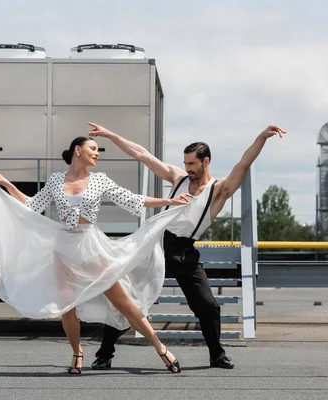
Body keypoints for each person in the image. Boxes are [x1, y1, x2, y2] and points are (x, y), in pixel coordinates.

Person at [0, 136, 195, 375]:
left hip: (91, 247)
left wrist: (170, 201)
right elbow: (32, 205)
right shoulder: (55, 180)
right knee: (67, 308)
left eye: (97, 150)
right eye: (92, 148)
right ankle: (77, 353)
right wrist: (7, 185)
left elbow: (132, 200)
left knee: (123, 303)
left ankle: (161, 348)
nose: (97, 153)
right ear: (77, 150)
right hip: (62, 249)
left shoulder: (99, 180)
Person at [88, 122, 286, 370]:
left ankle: (217, 355)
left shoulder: (219, 190)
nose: (187, 169)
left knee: (208, 306)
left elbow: (243, 164)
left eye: (192, 164)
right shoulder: (178, 178)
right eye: (185, 164)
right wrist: (111, 134)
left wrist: (261, 138)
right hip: (157, 246)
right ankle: (104, 354)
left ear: (206, 162)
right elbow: (143, 155)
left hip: (184, 252)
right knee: (129, 300)